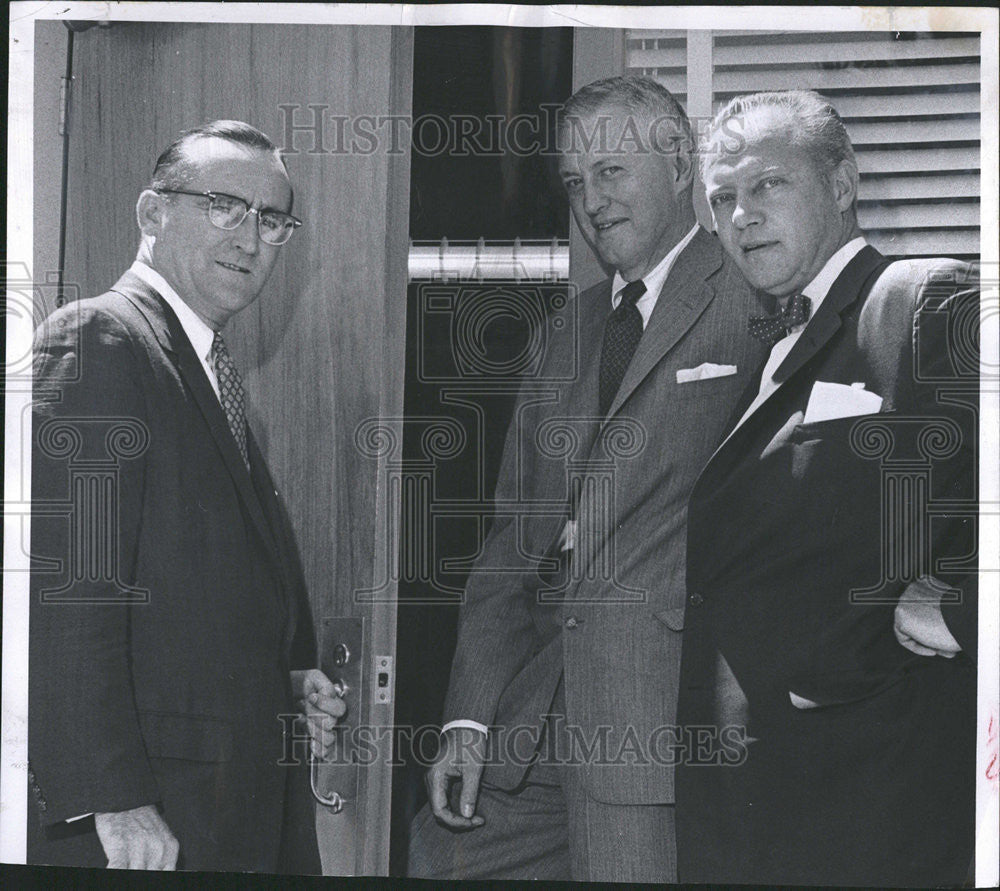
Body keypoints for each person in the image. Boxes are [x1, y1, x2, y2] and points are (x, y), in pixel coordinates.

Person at [407, 76, 767, 882]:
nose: (590, 200)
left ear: (680, 165)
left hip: (655, 726)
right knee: (439, 857)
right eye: (574, 181)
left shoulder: (756, 301)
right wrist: (469, 712)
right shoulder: (563, 334)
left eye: (611, 171)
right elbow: (510, 541)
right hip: (523, 719)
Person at [675, 90, 978, 886]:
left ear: (842, 184)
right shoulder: (768, 346)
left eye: (768, 185)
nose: (742, 216)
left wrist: (956, 609)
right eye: (723, 198)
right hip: (755, 809)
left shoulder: (925, 299)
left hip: (879, 809)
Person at [28, 121, 345, 872]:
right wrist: (113, 795)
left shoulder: (206, 369)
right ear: (152, 214)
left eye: (272, 221)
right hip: (153, 820)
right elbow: (74, 591)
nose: (250, 237)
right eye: (223, 205)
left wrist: (285, 677)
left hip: (230, 804)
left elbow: (194, 601)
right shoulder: (99, 340)